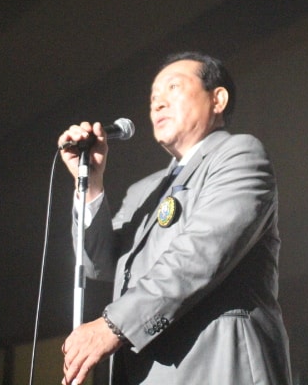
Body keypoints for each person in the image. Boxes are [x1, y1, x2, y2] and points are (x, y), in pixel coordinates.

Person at [58, 51, 292, 384]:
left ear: (217, 99)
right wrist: (91, 184)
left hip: (217, 365)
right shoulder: (143, 191)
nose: (158, 104)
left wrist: (113, 325)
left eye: (173, 88)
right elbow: (99, 264)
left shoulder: (239, 154)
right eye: (153, 97)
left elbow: (202, 252)